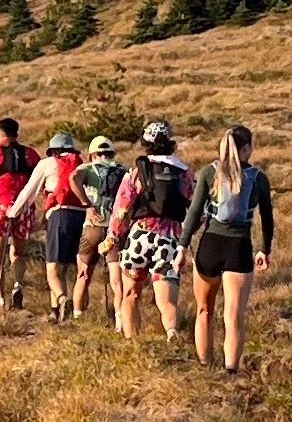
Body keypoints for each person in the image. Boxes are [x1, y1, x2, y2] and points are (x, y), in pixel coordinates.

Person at [186, 126, 275, 374]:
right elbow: (267, 218)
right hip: (239, 247)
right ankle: (231, 370)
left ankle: (205, 365)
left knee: (204, 309)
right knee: (233, 315)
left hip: (210, 246)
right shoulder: (258, 178)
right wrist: (265, 250)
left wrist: (183, 245)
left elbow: (194, 213)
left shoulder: (208, 173)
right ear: (246, 148)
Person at [106, 121, 193, 340]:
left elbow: (122, 209)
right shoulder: (184, 173)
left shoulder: (136, 173)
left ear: (145, 145)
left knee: (131, 294)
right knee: (166, 301)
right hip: (170, 238)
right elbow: (197, 208)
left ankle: (131, 342)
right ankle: (172, 333)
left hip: (139, 236)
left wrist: (112, 238)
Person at [0, 119, 38, 310]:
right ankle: (18, 283)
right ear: (17, 134)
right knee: (19, 252)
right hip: (24, 208)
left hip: (0, 206)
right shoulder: (31, 154)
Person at [35, 134, 98, 322]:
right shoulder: (83, 166)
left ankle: (62, 300)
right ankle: (60, 312)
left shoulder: (48, 164)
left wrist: (13, 213)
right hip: (82, 217)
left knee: (53, 269)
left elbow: (29, 192)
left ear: (53, 151)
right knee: (74, 270)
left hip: (60, 215)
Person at [71, 131, 131, 323]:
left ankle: (78, 316)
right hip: (115, 228)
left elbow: (73, 178)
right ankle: (120, 321)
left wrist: (86, 204)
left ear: (92, 153)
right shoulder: (122, 170)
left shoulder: (87, 169)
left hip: (93, 226)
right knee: (117, 279)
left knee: (83, 273)